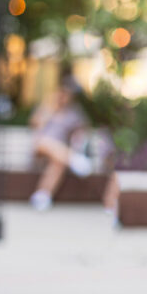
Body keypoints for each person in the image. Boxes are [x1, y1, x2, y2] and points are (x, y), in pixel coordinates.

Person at [28, 75, 93, 211]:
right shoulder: (47, 107)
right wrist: (50, 109)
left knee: (58, 164)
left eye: (68, 94)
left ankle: (42, 196)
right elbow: (35, 125)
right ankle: (74, 160)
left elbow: (82, 131)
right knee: (46, 142)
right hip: (40, 147)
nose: (64, 96)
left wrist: (77, 139)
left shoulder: (74, 113)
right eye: (62, 93)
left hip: (59, 152)